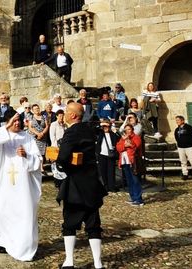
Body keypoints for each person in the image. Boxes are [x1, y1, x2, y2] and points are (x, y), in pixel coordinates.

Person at [56, 102, 107, 269]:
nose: (63, 115)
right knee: (93, 224)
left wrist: (59, 163)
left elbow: (63, 157)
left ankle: (69, 262)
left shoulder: (71, 132)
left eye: (66, 112)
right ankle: (98, 264)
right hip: (92, 183)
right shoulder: (88, 129)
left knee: (70, 223)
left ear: (72, 116)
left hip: (76, 185)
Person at [0, 110, 42, 261]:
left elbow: (38, 161)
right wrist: (8, 126)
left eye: (19, 121)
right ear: (8, 121)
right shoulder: (3, 135)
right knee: (2, 211)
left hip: (23, 187)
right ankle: (2, 242)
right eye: (14, 121)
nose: (17, 123)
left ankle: (23, 246)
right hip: (5, 184)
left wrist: (26, 156)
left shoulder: (27, 138)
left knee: (22, 213)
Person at [117, 124, 144, 206]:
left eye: (128, 129)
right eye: (125, 130)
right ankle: (133, 198)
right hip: (125, 161)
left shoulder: (136, 137)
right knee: (129, 181)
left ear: (132, 129)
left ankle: (139, 199)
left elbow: (135, 147)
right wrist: (125, 145)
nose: (127, 131)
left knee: (135, 180)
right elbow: (118, 148)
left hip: (133, 162)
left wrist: (128, 142)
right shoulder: (123, 138)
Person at [96, 119, 120, 192]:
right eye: (104, 126)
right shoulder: (100, 133)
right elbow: (94, 128)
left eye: (107, 126)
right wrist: (102, 124)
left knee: (111, 171)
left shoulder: (112, 134)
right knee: (103, 171)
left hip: (111, 155)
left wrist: (111, 127)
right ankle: (105, 186)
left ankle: (111, 186)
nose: (105, 128)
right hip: (102, 154)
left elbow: (118, 138)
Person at [174, 115, 192, 181]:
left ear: (182, 120)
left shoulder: (189, 128)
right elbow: (176, 138)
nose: (177, 122)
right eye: (176, 120)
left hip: (189, 147)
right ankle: (185, 174)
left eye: (178, 120)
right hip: (181, 148)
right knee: (183, 161)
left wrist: (191, 143)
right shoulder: (177, 129)